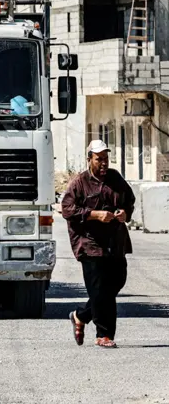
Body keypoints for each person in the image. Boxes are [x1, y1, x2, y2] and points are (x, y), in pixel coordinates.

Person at [61, 140, 135, 349]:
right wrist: (94, 215)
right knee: (100, 290)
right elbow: (67, 209)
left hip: (115, 243)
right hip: (89, 244)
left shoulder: (115, 178)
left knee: (116, 282)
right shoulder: (80, 182)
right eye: (98, 159)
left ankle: (81, 316)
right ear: (89, 160)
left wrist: (124, 213)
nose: (103, 163)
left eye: (106, 158)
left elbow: (129, 200)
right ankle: (104, 335)